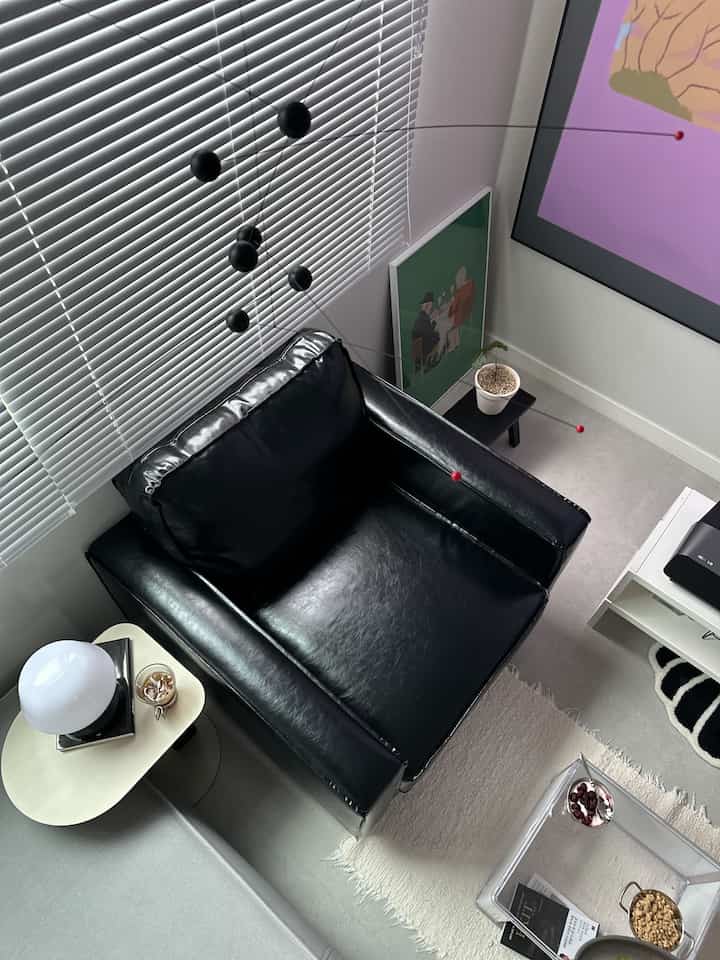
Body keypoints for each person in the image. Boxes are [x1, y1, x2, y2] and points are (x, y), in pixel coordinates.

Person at [411, 291, 440, 369]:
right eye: (426, 304)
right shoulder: (422, 319)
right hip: (424, 355)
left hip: (424, 354)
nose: (428, 306)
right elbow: (430, 335)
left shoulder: (426, 318)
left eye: (429, 304)